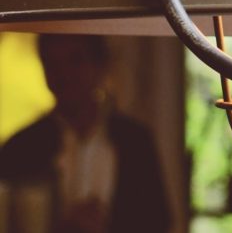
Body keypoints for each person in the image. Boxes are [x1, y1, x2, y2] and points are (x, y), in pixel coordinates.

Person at [0, 35, 172, 233]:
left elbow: (158, 221)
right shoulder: (22, 146)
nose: (64, 74)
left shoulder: (135, 142)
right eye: (52, 63)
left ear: (100, 65)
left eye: (75, 60)